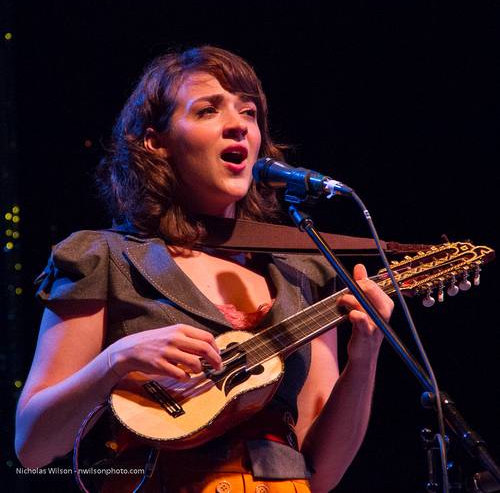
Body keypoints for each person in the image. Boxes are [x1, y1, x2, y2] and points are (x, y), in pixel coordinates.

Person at [15, 46, 393, 492]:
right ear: (156, 142)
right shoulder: (103, 257)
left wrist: (364, 356)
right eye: (208, 110)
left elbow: (323, 473)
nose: (239, 125)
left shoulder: (302, 271)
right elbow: (33, 447)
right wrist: (115, 361)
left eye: (249, 112)